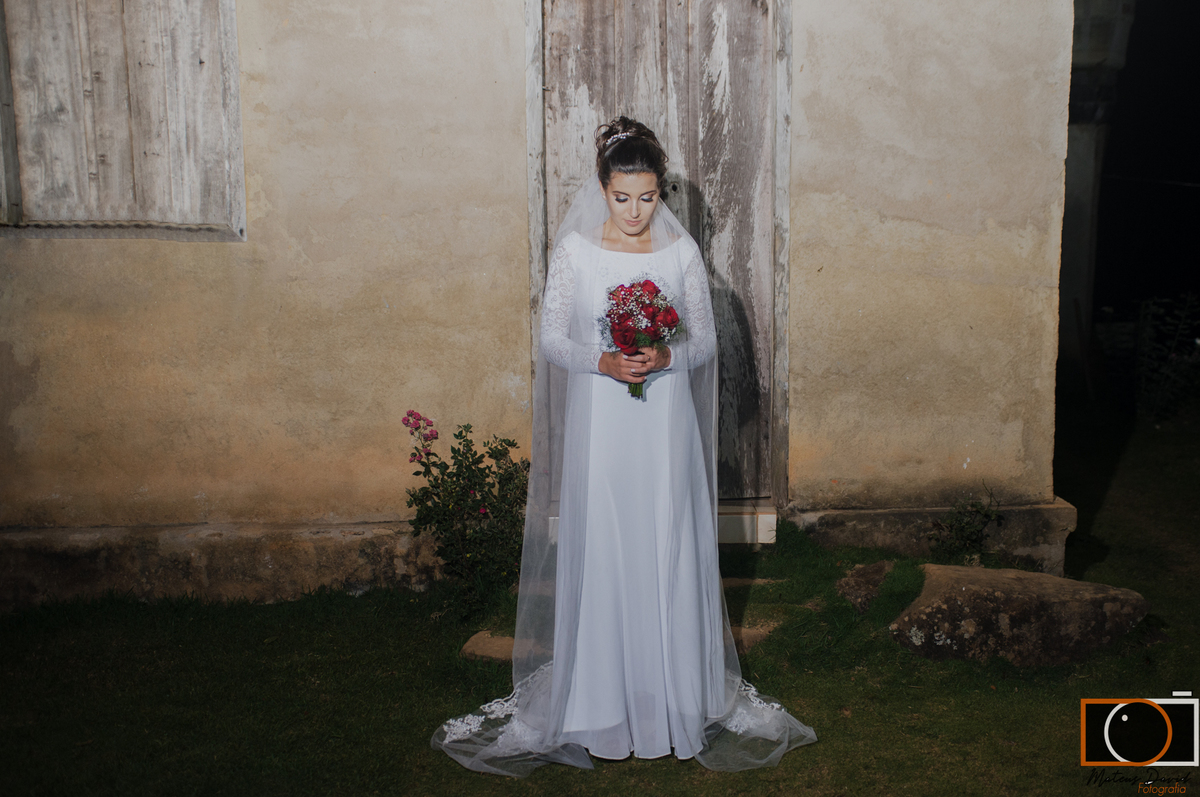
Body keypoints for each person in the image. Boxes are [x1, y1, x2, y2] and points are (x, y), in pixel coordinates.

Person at [431, 117, 816, 777]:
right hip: (604, 421)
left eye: (646, 197)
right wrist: (602, 361)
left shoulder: (681, 254)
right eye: (622, 197)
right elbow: (553, 337)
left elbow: (704, 343)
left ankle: (674, 696)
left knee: (664, 540)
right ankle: (600, 699)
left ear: (658, 190)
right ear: (602, 188)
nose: (635, 211)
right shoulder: (578, 252)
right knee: (609, 541)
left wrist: (666, 350)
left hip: (663, 422)